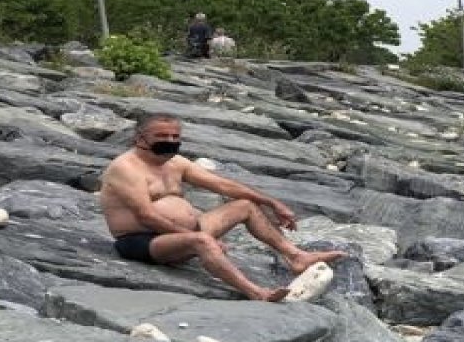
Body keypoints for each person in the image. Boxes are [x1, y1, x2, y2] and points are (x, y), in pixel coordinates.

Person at [99, 113, 344, 302]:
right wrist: (199, 236)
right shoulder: (126, 168)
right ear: (139, 138)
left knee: (245, 205)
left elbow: (223, 185)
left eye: (175, 137)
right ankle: (257, 292)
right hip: (141, 241)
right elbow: (146, 215)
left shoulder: (176, 162)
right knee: (202, 242)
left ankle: (296, 256)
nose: (170, 142)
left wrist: (271, 203)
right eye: (161, 137)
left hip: (186, 231)